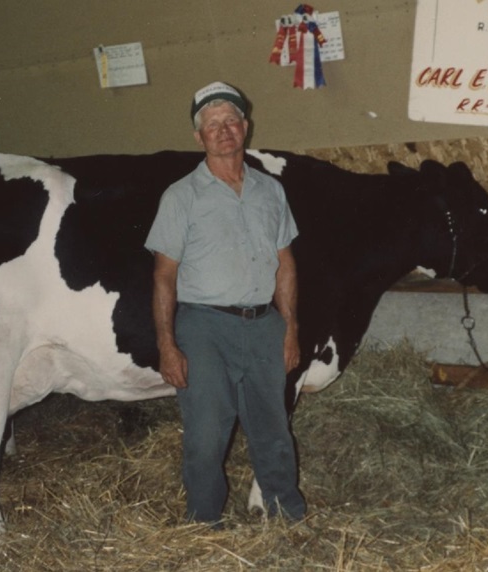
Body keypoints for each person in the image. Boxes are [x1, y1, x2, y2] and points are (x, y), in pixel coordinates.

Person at [145, 81, 307, 526]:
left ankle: (285, 513)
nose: (223, 130)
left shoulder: (270, 191)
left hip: (263, 325)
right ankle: (204, 523)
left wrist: (289, 328)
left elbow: (285, 264)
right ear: (199, 138)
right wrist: (167, 344)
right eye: (212, 125)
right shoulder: (181, 197)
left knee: (273, 428)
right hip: (204, 327)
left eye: (230, 121)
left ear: (245, 127)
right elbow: (164, 276)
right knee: (206, 433)